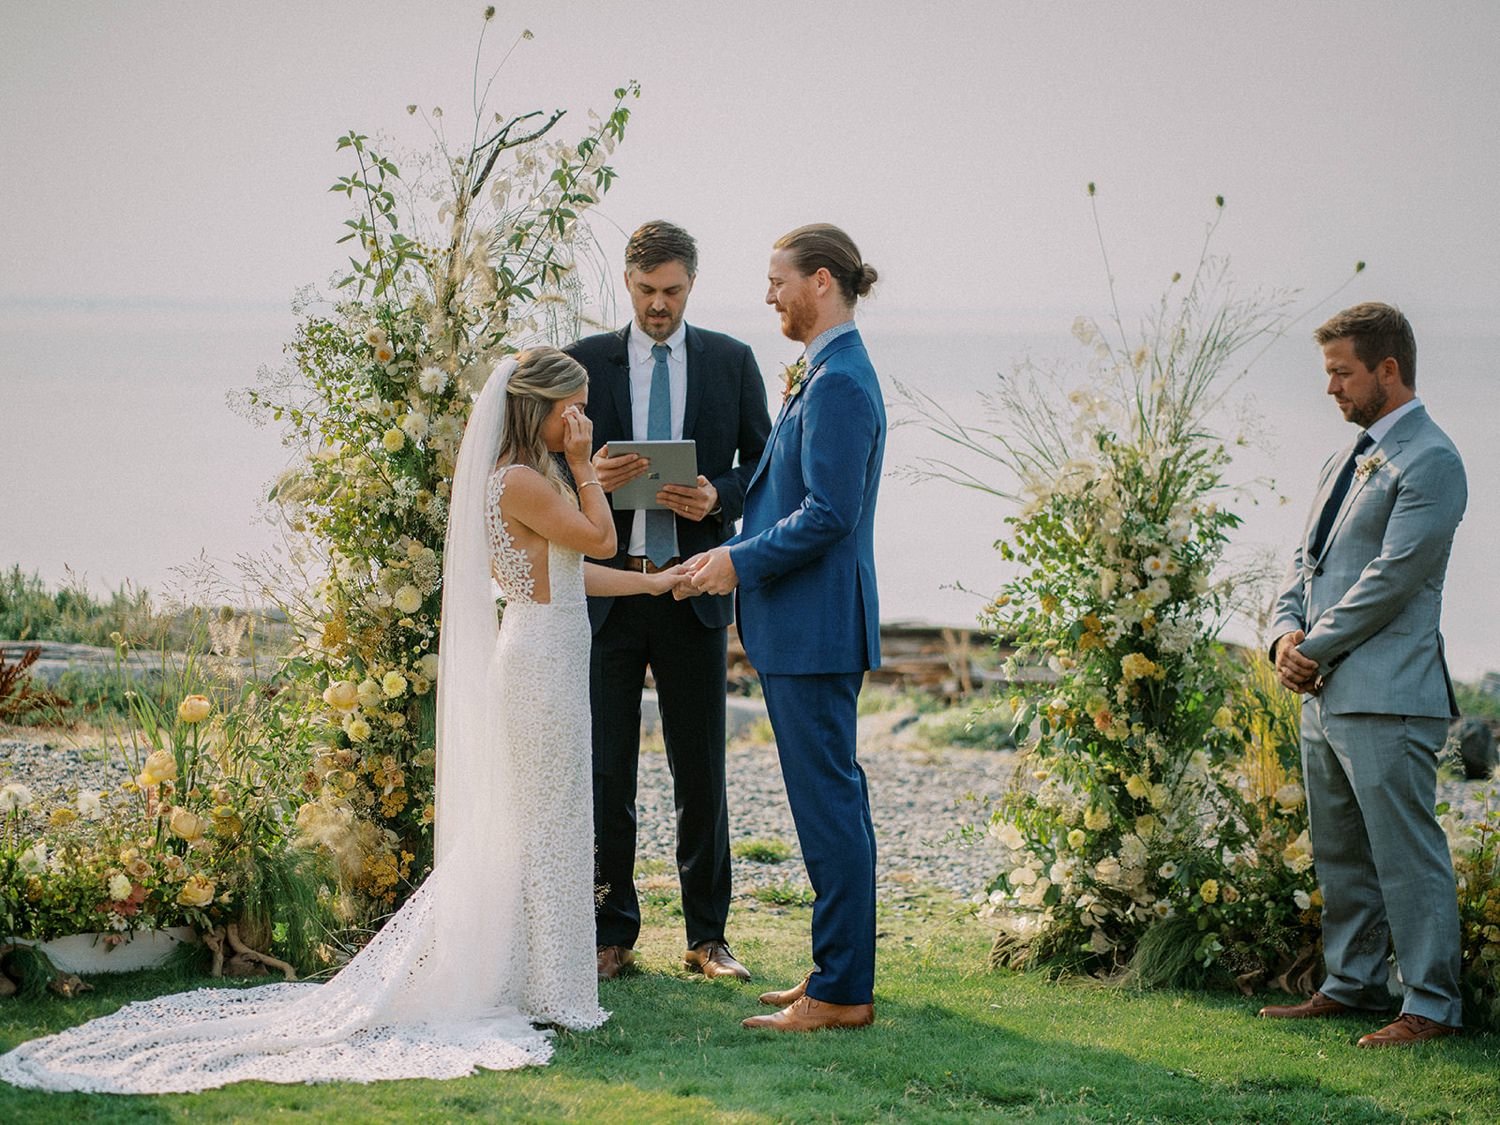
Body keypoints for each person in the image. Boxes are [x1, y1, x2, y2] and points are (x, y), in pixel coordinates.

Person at [0, 347, 683, 1092]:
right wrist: (587, 467)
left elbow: (576, 569)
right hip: (538, 668)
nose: (581, 420)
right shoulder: (524, 478)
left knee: (546, 821)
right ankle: (554, 990)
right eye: (572, 408)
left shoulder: (528, 478)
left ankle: (544, 981)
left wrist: (658, 584)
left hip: (545, 653)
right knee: (544, 820)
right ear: (538, 408)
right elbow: (602, 537)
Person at [686, 223, 884, 1032]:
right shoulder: (829, 370)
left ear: (822, 281)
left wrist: (737, 561)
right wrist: (732, 552)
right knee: (829, 805)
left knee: (829, 807)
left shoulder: (838, 382)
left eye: (778, 281)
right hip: (805, 628)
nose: (768, 295)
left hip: (815, 629)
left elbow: (829, 515)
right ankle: (832, 974)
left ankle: (841, 993)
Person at [566, 221, 772, 983]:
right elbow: (548, 464)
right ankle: (609, 932)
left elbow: (767, 463)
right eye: (649, 291)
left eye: (674, 292)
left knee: (701, 772)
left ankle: (707, 937)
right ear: (628, 282)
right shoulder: (586, 361)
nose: (660, 305)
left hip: (692, 589)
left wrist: (719, 492)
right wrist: (592, 476)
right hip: (610, 594)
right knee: (606, 772)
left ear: (693, 284)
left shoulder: (731, 360)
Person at [1259, 303, 1467, 1047]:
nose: (1331, 389)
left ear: (1388, 369)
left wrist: (1313, 646)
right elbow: (1303, 562)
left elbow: (1390, 579)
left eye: (1341, 372)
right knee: (1339, 848)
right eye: (1327, 373)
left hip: (1390, 694)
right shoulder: (1340, 460)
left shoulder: (1433, 461)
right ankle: (1351, 982)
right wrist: (1283, 633)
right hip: (1327, 693)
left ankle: (1433, 1004)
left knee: (1406, 855)